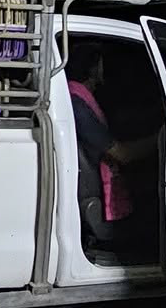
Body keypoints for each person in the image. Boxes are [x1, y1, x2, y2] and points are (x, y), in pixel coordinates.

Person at [68, 48, 158, 254]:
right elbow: (122, 155)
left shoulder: (78, 99)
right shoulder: (77, 104)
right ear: (93, 68)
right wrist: (160, 140)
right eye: (101, 62)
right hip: (91, 187)